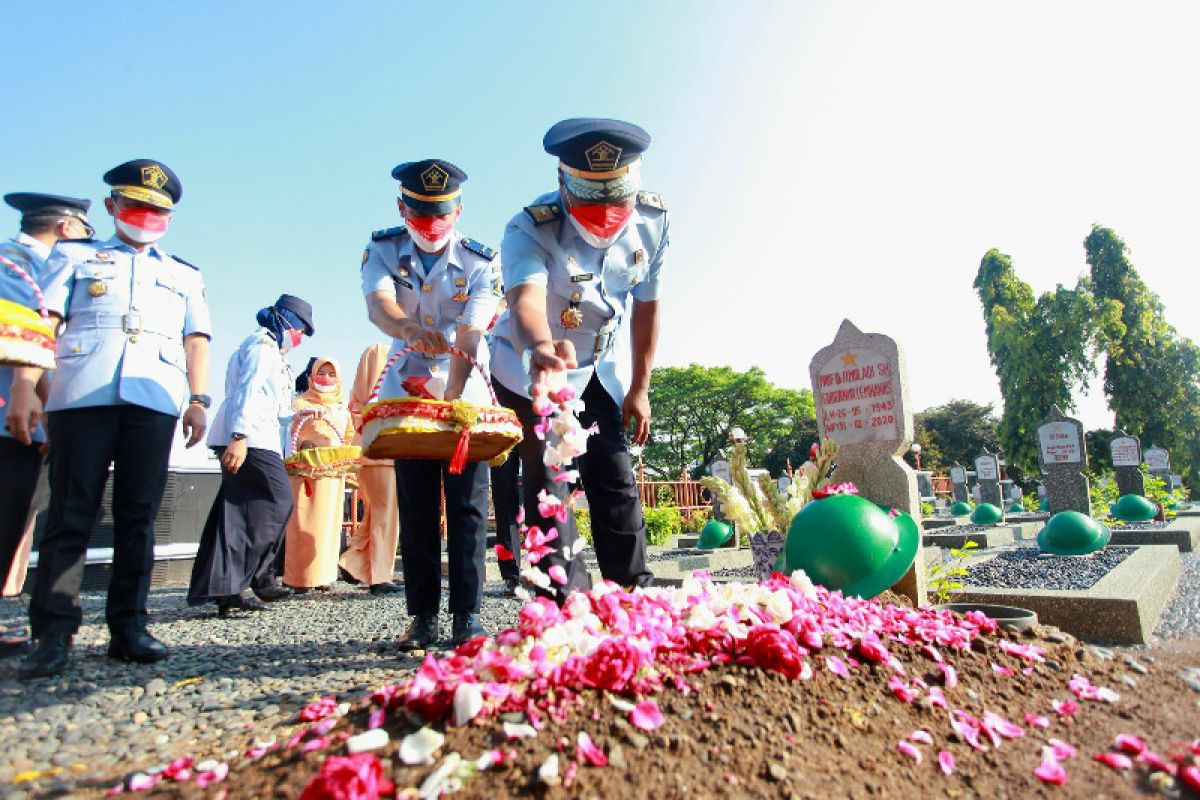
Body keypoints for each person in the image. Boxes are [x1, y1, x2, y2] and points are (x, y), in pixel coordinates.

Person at [6, 159, 211, 679]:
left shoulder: (184, 273)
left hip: (154, 397)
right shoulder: (75, 257)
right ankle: (52, 631)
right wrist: (26, 388)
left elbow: (196, 339)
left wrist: (199, 398)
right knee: (70, 513)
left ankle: (129, 626)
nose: (145, 216)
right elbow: (44, 324)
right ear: (111, 207)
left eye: (157, 211)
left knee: (138, 516)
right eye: (136, 206)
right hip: (81, 396)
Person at [490, 118, 668, 600]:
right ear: (563, 182)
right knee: (550, 476)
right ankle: (564, 600)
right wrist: (541, 352)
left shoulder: (653, 222)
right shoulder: (530, 226)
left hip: (597, 367)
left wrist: (640, 387)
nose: (607, 211)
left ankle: (632, 594)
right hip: (531, 365)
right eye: (592, 197)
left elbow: (646, 309)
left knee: (614, 473)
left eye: (618, 195)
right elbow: (526, 300)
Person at [360, 158, 500, 649]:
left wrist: (456, 396)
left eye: (442, 216)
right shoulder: (382, 249)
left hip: (463, 391)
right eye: (420, 216)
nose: (432, 227)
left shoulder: (482, 261)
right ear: (402, 208)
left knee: (466, 508)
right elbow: (380, 305)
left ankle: (469, 616)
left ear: (458, 211)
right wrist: (409, 329)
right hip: (406, 390)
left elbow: (472, 329)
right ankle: (421, 617)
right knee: (417, 506)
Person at [0, 192, 94, 655]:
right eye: (84, 230)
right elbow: (27, 345)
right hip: (15, 415)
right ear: (66, 228)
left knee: (16, 518)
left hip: (23, 417)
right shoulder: (20, 266)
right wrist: (57, 416)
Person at [188, 295, 314, 616]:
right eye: (299, 329)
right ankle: (260, 576)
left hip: (253, 434)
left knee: (237, 513)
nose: (299, 337)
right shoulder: (262, 348)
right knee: (278, 501)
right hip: (249, 437)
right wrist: (239, 437)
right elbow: (249, 390)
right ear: (286, 321)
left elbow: (277, 404)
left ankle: (226, 588)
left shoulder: (271, 350)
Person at [283, 356, 354, 590]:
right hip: (303, 474)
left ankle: (324, 576)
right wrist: (304, 443)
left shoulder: (341, 407)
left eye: (332, 374)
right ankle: (298, 578)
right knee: (301, 524)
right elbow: (287, 431)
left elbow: (349, 436)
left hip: (332, 476)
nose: (327, 378)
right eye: (321, 373)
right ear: (311, 376)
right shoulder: (298, 404)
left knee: (328, 527)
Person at [339, 343, 403, 594]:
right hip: (381, 450)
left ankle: (353, 561)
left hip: (368, 449)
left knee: (377, 513)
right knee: (387, 514)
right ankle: (379, 576)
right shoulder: (383, 353)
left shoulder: (358, 393)